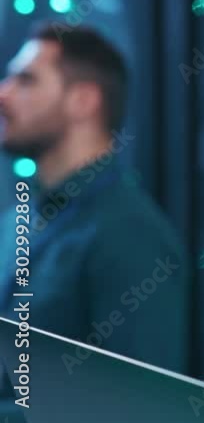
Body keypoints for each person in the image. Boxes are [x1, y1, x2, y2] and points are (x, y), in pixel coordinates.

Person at [0, 24, 190, 374]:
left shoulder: (132, 235)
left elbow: (140, 402)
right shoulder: (17, 221)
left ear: (84, 100)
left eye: (26, 80)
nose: (4, 95)